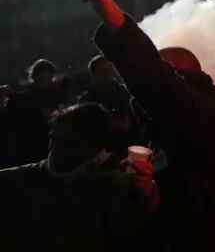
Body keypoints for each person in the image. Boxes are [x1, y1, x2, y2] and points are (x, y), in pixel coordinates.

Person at [77, 0, 215, 251]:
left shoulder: (201, 113)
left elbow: (154, 80)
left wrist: (108, 10)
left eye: (164, 68)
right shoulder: (168, 122)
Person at [0, 102, 159, 251]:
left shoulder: (114, 182)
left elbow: (133, 231)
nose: (55, 149)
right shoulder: (19, 179)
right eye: (54, 139)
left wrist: (144, 193)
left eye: (69, 142)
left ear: (95, 146)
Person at [1, 59, 67, 165]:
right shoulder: (23, 98)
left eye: (47, 78)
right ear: (34, 77)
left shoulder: (59, 95)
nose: (44, 81)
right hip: (29, 145)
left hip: (50, 144)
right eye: (41, 77)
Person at [78, 55, 137, 155]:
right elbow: (87, 128)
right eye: (102, 70)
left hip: (133, 143)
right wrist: (112, 122)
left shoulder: (124, 91)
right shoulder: (87, 99)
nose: (107, 73)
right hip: (106, 150)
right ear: (94, 74)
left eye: (109, 69)